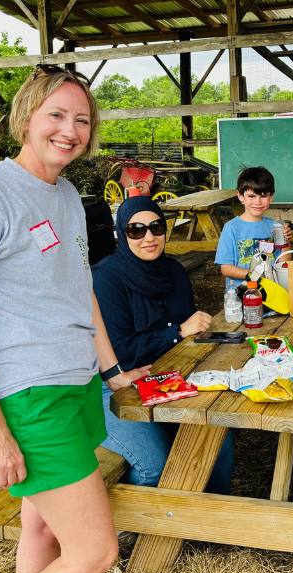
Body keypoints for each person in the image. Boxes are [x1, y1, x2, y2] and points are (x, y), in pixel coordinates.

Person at [0, 65, 149, 573]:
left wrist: (111, 370)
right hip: (30, 393)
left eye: (82, 120)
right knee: (95, 551)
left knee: (43, 526)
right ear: (25, 117)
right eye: (56, 115)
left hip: (75, 385)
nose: (70, 130)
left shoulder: (69, 194)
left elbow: (81, 292)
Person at [92, 196, 233, 490]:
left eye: (156, 227)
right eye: (136, 230)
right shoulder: (106, 279)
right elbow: (121, 352)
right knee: (153, 467)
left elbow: (188, 334)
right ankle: (126, 524)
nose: (149, 238)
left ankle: (209, 515)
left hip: (166, 374)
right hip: (114, 387)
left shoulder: (174, 271)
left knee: (216, 432)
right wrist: (177, 332)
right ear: (122, 233)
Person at [215, 166, 290, 289]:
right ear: (240, 196)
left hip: (272, 295)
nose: (258, 202)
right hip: (242, 297)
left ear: (271, 197)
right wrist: (256, 275)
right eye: (251, 196)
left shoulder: (275, 227)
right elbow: (226, 269)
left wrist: (286, 242)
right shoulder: (231, 228)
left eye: (264, 196)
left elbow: (284, 263)